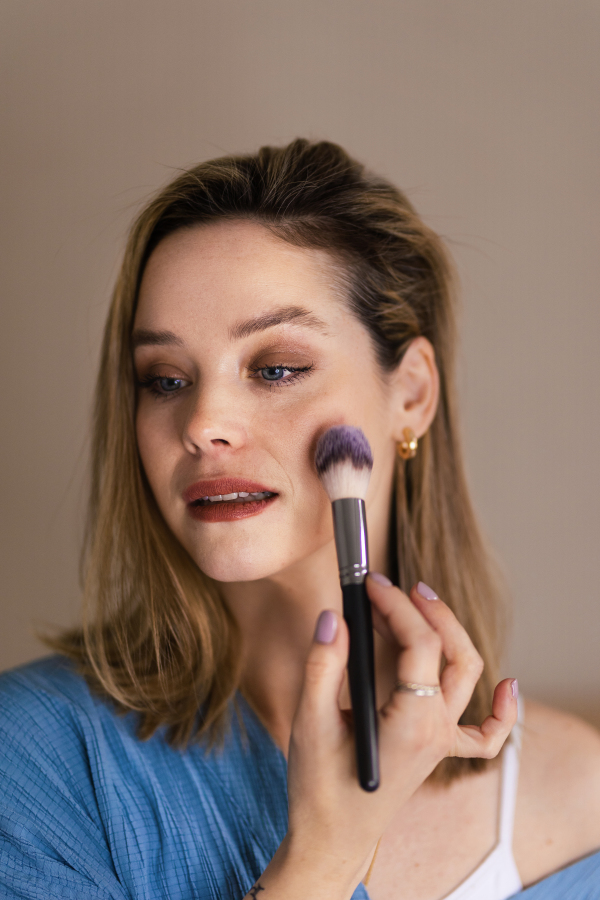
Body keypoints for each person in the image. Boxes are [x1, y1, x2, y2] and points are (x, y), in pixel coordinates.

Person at [1, 139, 599, 900]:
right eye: (166, 379)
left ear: (410, 394)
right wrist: (323, 856)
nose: (204, 422)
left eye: (276, 368)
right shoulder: (36, 760)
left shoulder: (578, 800)